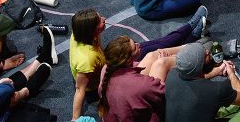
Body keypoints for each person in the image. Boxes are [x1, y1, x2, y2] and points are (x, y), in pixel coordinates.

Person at [70, 7, 209, 120]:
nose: (104, 19)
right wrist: (75, 119)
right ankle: (195, 44)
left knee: (155, 52)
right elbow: (80, 89)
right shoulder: (86, 59)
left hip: (117, 67)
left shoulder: (84, 37)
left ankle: (191, 42)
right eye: (100, 21)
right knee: (162, 59)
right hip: (141, 104)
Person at [166, 42, 240, 121]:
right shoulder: (216, 89)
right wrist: (231, 74)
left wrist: (217, 71)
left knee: (225, 103)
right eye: (205, 55)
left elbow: (196, 78)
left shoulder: (172, 74)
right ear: (201, 66)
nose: (208, 52)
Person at [97, 36, 175, 122]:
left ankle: (186, 47)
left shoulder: (107, 69)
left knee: (151, 56)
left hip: (113, 117)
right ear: (127, 60)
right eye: (135, 47)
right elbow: (166, 94)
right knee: (162, 63)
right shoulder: (141, 85)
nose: (138, 44)